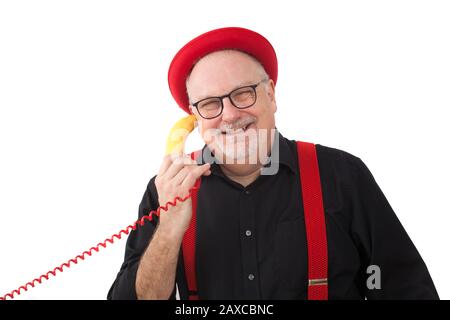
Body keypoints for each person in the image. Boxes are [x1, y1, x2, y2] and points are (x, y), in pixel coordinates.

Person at [108, 27, 438, 300]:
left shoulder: (342, 176)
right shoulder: (166, 192)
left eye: (243, 93)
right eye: (210, 104)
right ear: (194, 119)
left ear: (271, 95)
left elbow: (404, 287)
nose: (230, 115)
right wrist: (169, 228)